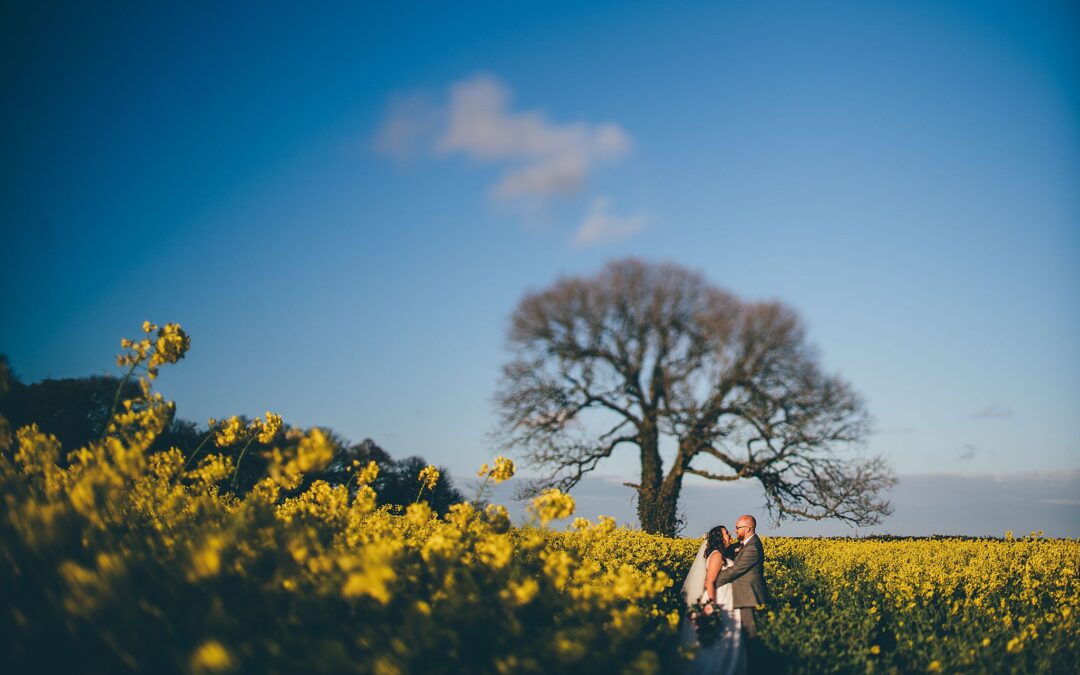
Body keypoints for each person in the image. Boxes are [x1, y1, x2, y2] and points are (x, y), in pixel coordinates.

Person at [680, 526, 746, 674]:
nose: (730, 535)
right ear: (719, 538)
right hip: (718, 598)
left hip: (726, 597)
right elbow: (709, 582)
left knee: (725, 641)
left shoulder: (721, 554)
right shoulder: (716, 555)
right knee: (717, 641)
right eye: (726, 533)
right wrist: (712, 606)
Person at [713, 515, 768, 641]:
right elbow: (726, 550)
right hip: (742, 597)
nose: (735, 531)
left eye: (738, 528)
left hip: (749, 598)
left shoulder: (752, 548)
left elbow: (735, 570)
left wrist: (712, 581)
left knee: (750, 636)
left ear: (748, 529)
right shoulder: (743, 544)